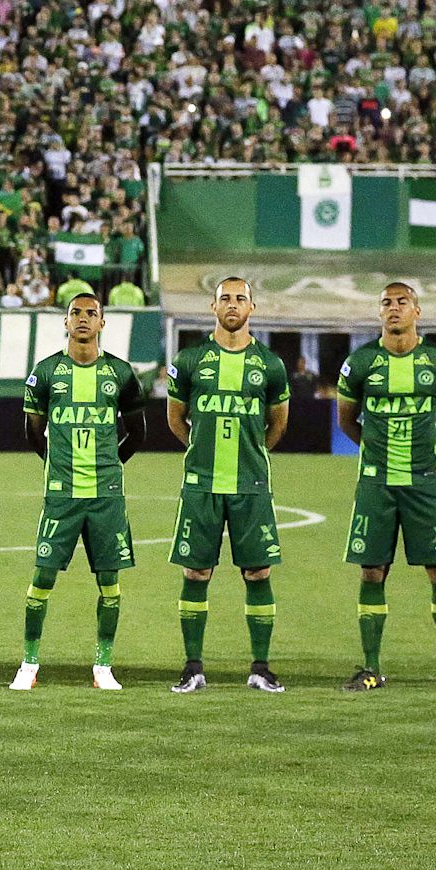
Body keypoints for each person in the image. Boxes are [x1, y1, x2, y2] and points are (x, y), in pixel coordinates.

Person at [335, 283, 436, 692]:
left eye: (401, 303)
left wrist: (422, 449)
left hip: (424, 483)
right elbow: (347, 420)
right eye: (386, 303)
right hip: (376, 484)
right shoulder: (360, 363)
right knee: (373, 570)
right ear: (379, 313)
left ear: (418, 311)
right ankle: (371, 667)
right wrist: (376, 451)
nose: (393, 309)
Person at [11, 293, 146, 690]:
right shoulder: (47, 371)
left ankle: (103, 666)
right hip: (62, 495)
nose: (83, 319)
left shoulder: (120, 374)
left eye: (92, 313)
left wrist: (107, 468)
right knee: (42, 576)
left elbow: (137, 433)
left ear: (103, 323)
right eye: (76, 313)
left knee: (109, 580)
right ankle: (29, 663)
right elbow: (34, 433)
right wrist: (60, 468)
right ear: (65, 323)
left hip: (106, 497)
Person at [163, 277, 291, 693]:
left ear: (252, 307)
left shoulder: (269, 364)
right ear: (212, 306)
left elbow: (279, 422)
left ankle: (261, 668)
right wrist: (200, 450)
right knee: (196, 572)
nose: (232, 305)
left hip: (250, 485)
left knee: (258, 571)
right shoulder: (189, 360)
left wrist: (250, 454)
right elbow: (175, 418)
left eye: (240, 298)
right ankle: (193, 667)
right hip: (202, 485)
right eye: (225, 299)